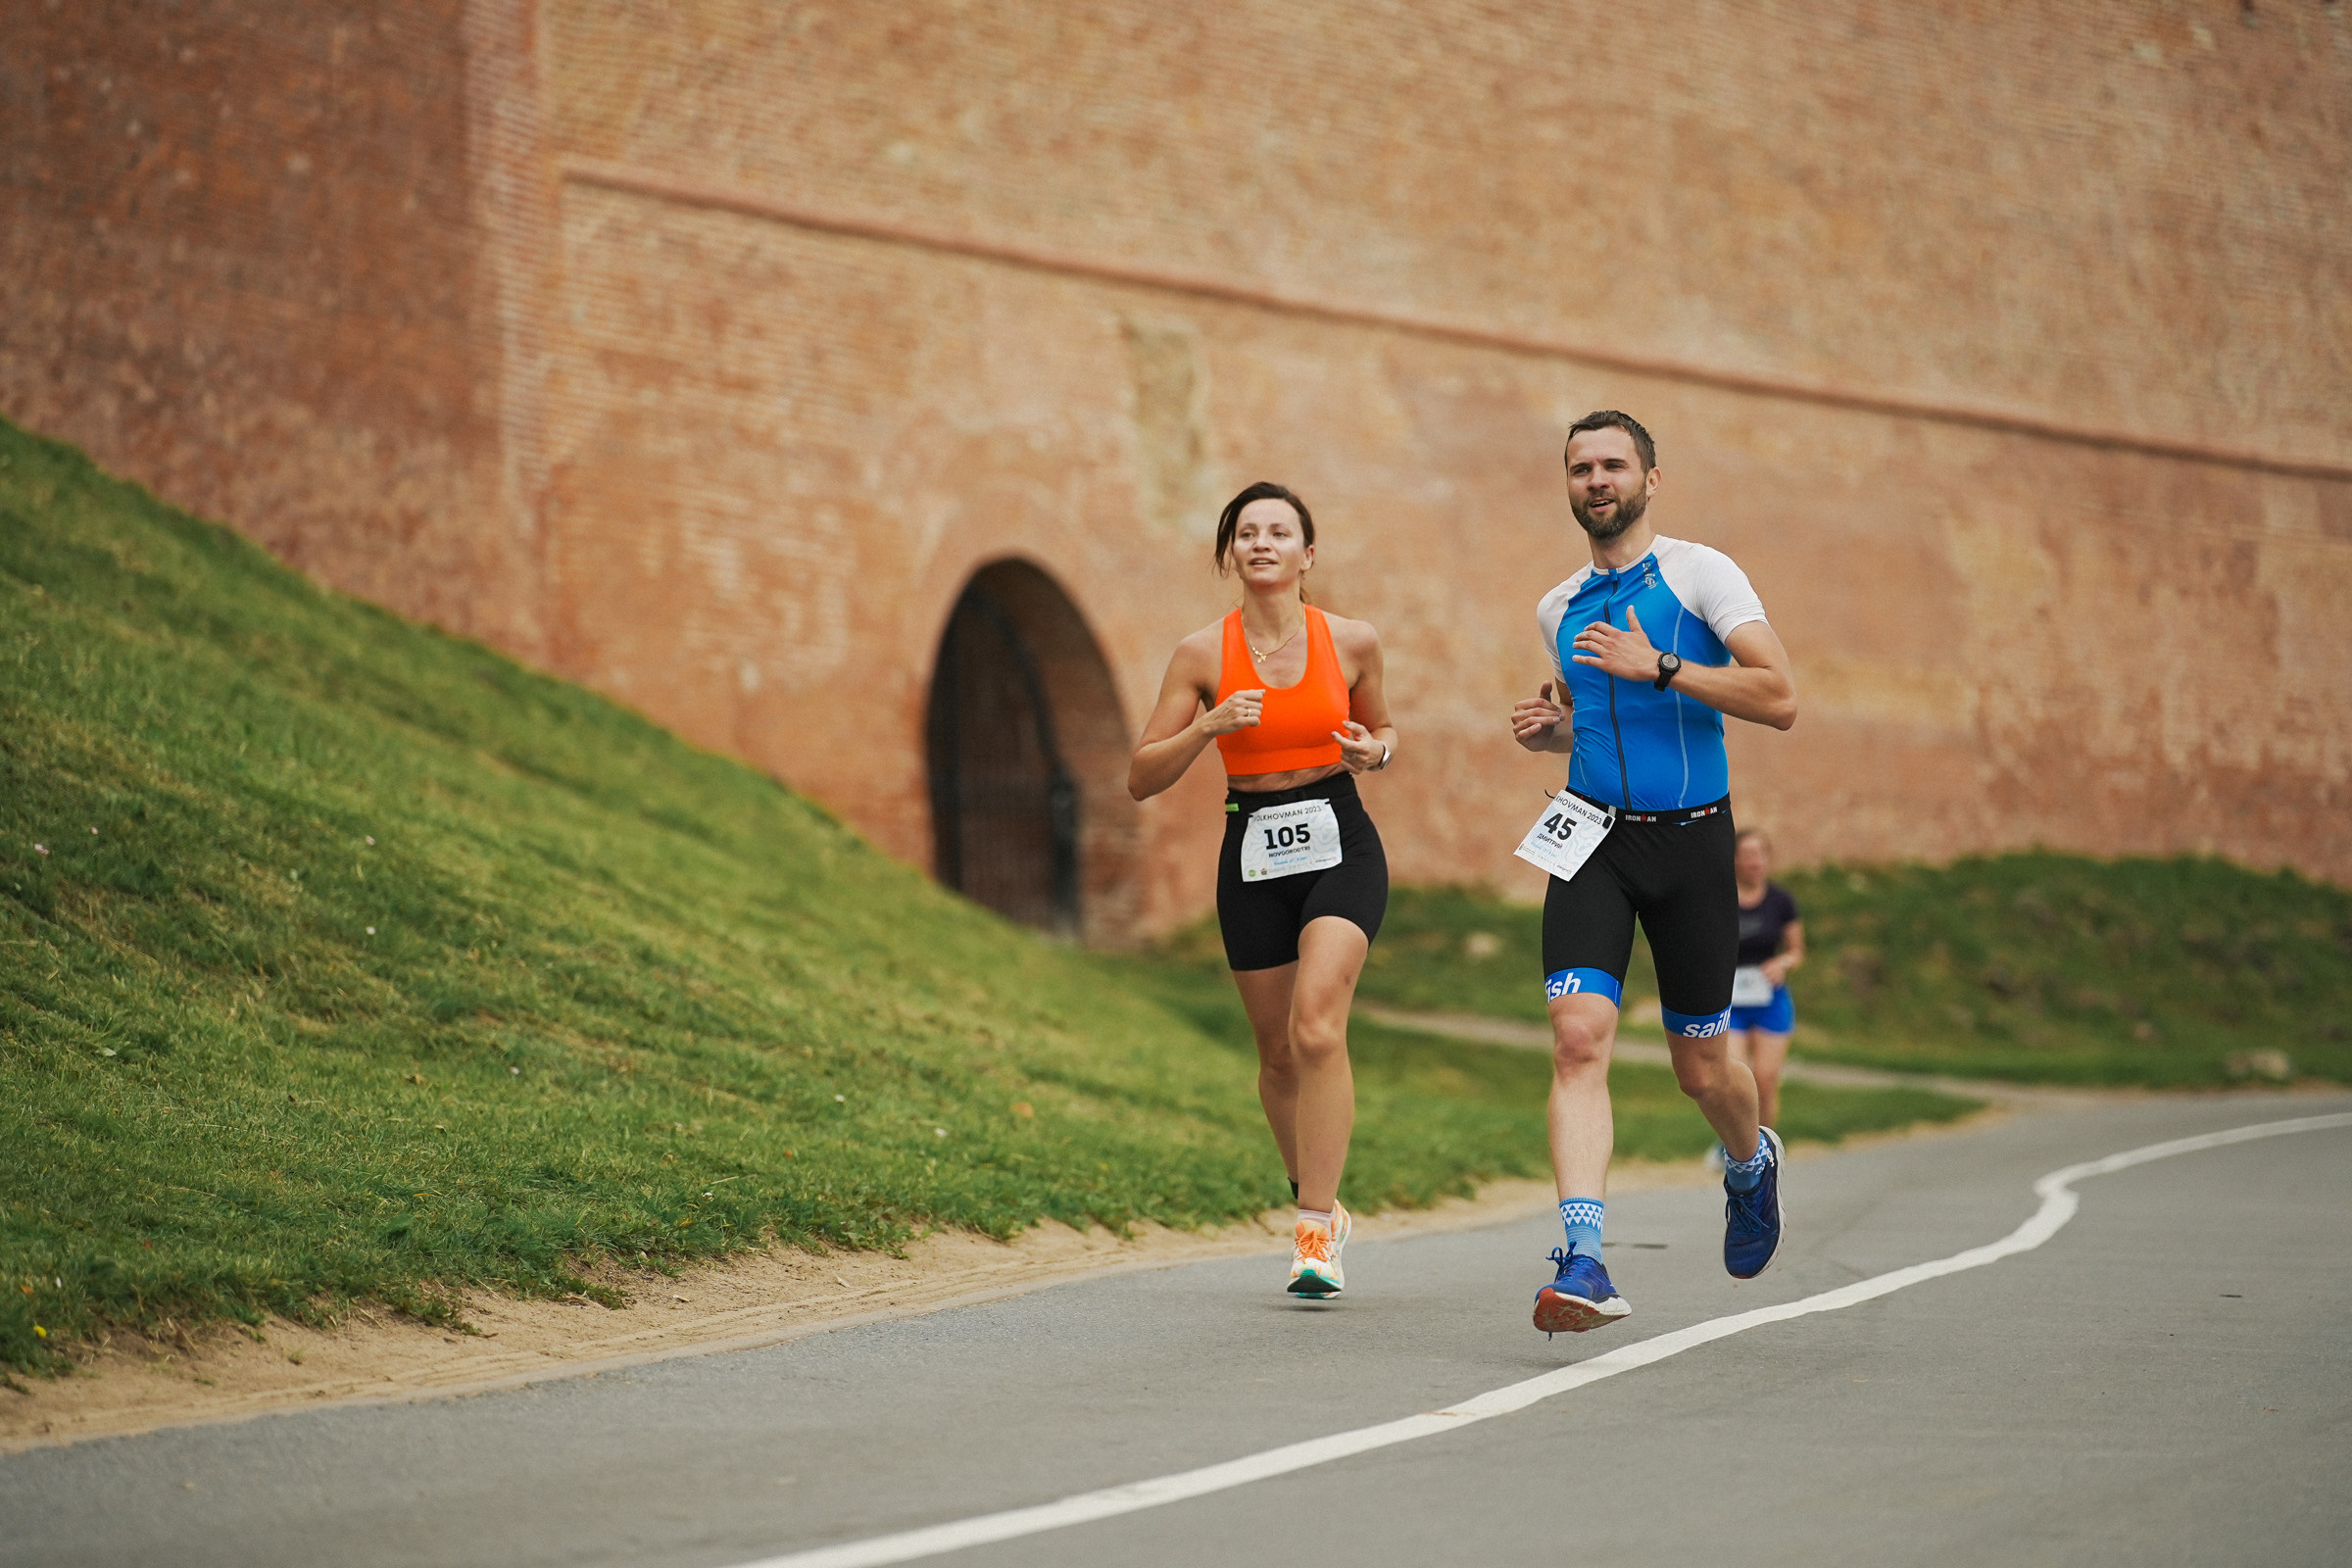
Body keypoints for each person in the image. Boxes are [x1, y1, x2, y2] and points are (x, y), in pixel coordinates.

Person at [1508, 411, 1797, 1335]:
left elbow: (1779, 697)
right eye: (1580, 467)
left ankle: (1749, 1165)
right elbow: (1596, 720)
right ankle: (1585, 1260)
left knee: (1701, 1070)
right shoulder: (1557, 608)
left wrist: (1661, 664)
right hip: (1591, 838)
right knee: (1577, 1038)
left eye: (1613, 465)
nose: (1596, 480)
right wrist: (1551, 731)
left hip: (1693, 845)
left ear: (1650, 479)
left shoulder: (1700, 574)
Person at [1129, 481, 1397, 1298]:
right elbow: (1141, 776)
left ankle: (1314, 1234)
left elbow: (1385, 729)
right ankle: (1314, 1195)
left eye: (1280, 531)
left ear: (1307, 554)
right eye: (1246, 532)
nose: (1262, 543)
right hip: (1251, 843)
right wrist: (1206, 726)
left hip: (1339, 838)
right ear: (1230, 554)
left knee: (1317, 1024)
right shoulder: (1201, 655)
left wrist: (1374, 753)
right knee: (1277, 1052)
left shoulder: (1351, 641)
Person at [1728, 829, 1805, 1129]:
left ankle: (1766, 1147)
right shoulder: (1721, 900)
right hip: (1730, 1001)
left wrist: (1782, 963)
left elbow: (1797, 951)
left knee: (1765, 1080)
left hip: (1769, 999)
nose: (1754, 861)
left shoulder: (1781, 901)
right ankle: (1738, 1148)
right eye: (1747, 855)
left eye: (1760, 854)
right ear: (1735, 860)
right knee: (1736, 1079)